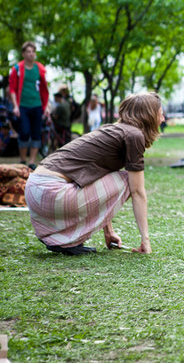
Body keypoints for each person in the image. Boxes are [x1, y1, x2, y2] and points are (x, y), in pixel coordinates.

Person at [25, 92, 164, 255]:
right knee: (128, 180)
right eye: (160, 114)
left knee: (123, 179)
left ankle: (62, 239)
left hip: (35, 190)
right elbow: (138, 191)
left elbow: (101, 179)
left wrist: (108, 232)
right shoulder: (134, 135)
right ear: (149, 116)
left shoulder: (112, 130)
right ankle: (64, 240)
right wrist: (145, 241)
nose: (162, 119)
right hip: (52, 192)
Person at [8, 41, 50, 170]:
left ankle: (32, 161)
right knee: (25, 132)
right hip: (23, 106)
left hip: (37, 105)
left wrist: (46, 106)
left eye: (33, 52)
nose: (31, 54)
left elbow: (44, 90)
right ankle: (22, 159)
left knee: (36, 134)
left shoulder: (40, 69)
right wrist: (15, 106)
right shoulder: (17, 69)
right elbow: (12, 89)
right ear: (23, 53)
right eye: (28, 52)